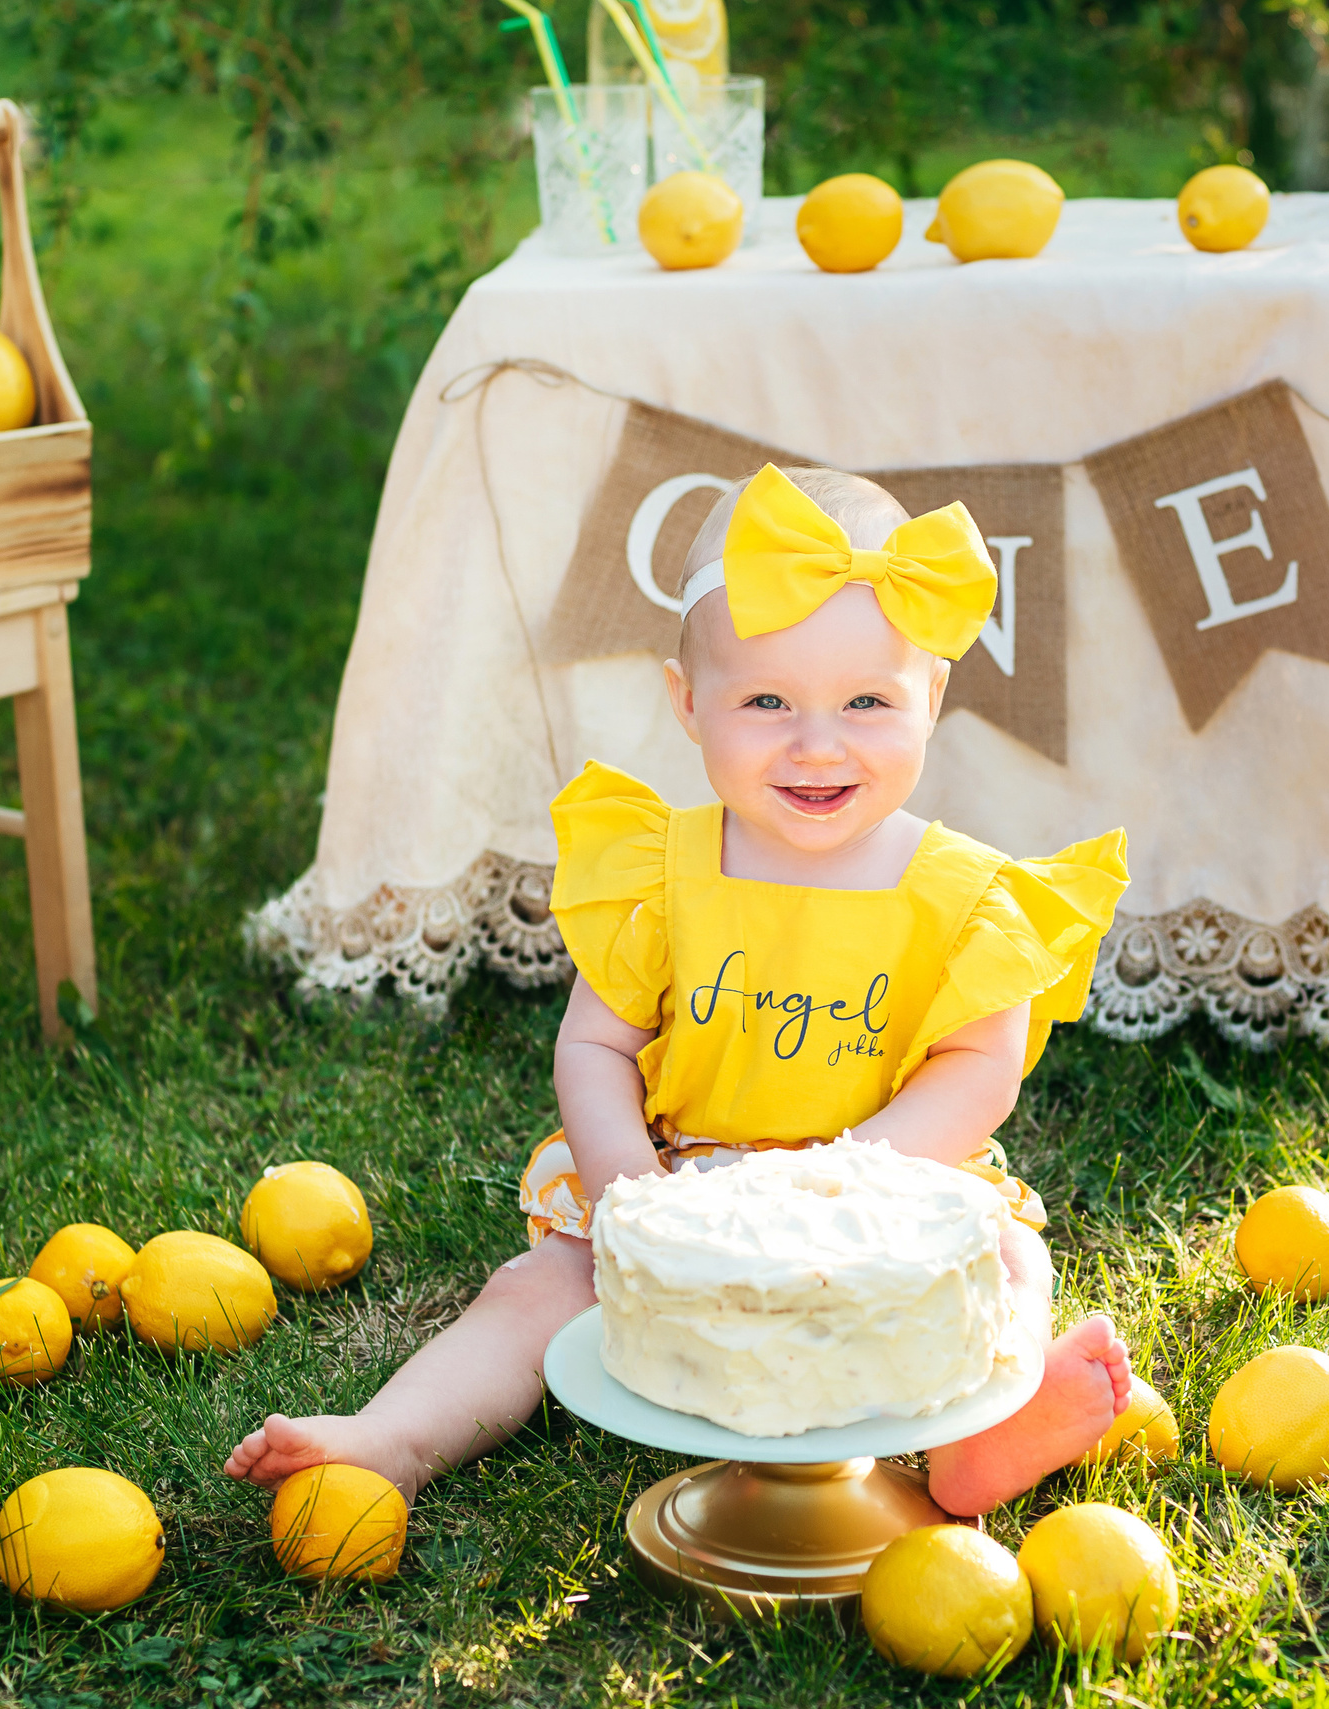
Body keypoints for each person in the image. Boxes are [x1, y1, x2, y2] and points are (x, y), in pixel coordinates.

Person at [223, 462, 1132, 1523]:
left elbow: (977, 1069)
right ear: (687, 702)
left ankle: (982, 1438)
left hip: (890, 1190)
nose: (817, 742)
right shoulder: (659, 871)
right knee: (533, 1291)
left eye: (867, 702)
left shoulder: (967, 896)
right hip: (684, 1177)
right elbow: (596, 1047)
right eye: (765, 700)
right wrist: (628, 1196)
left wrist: (851, 1182)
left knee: (1008, 1262)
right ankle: (397, 1434)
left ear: (931, 697)